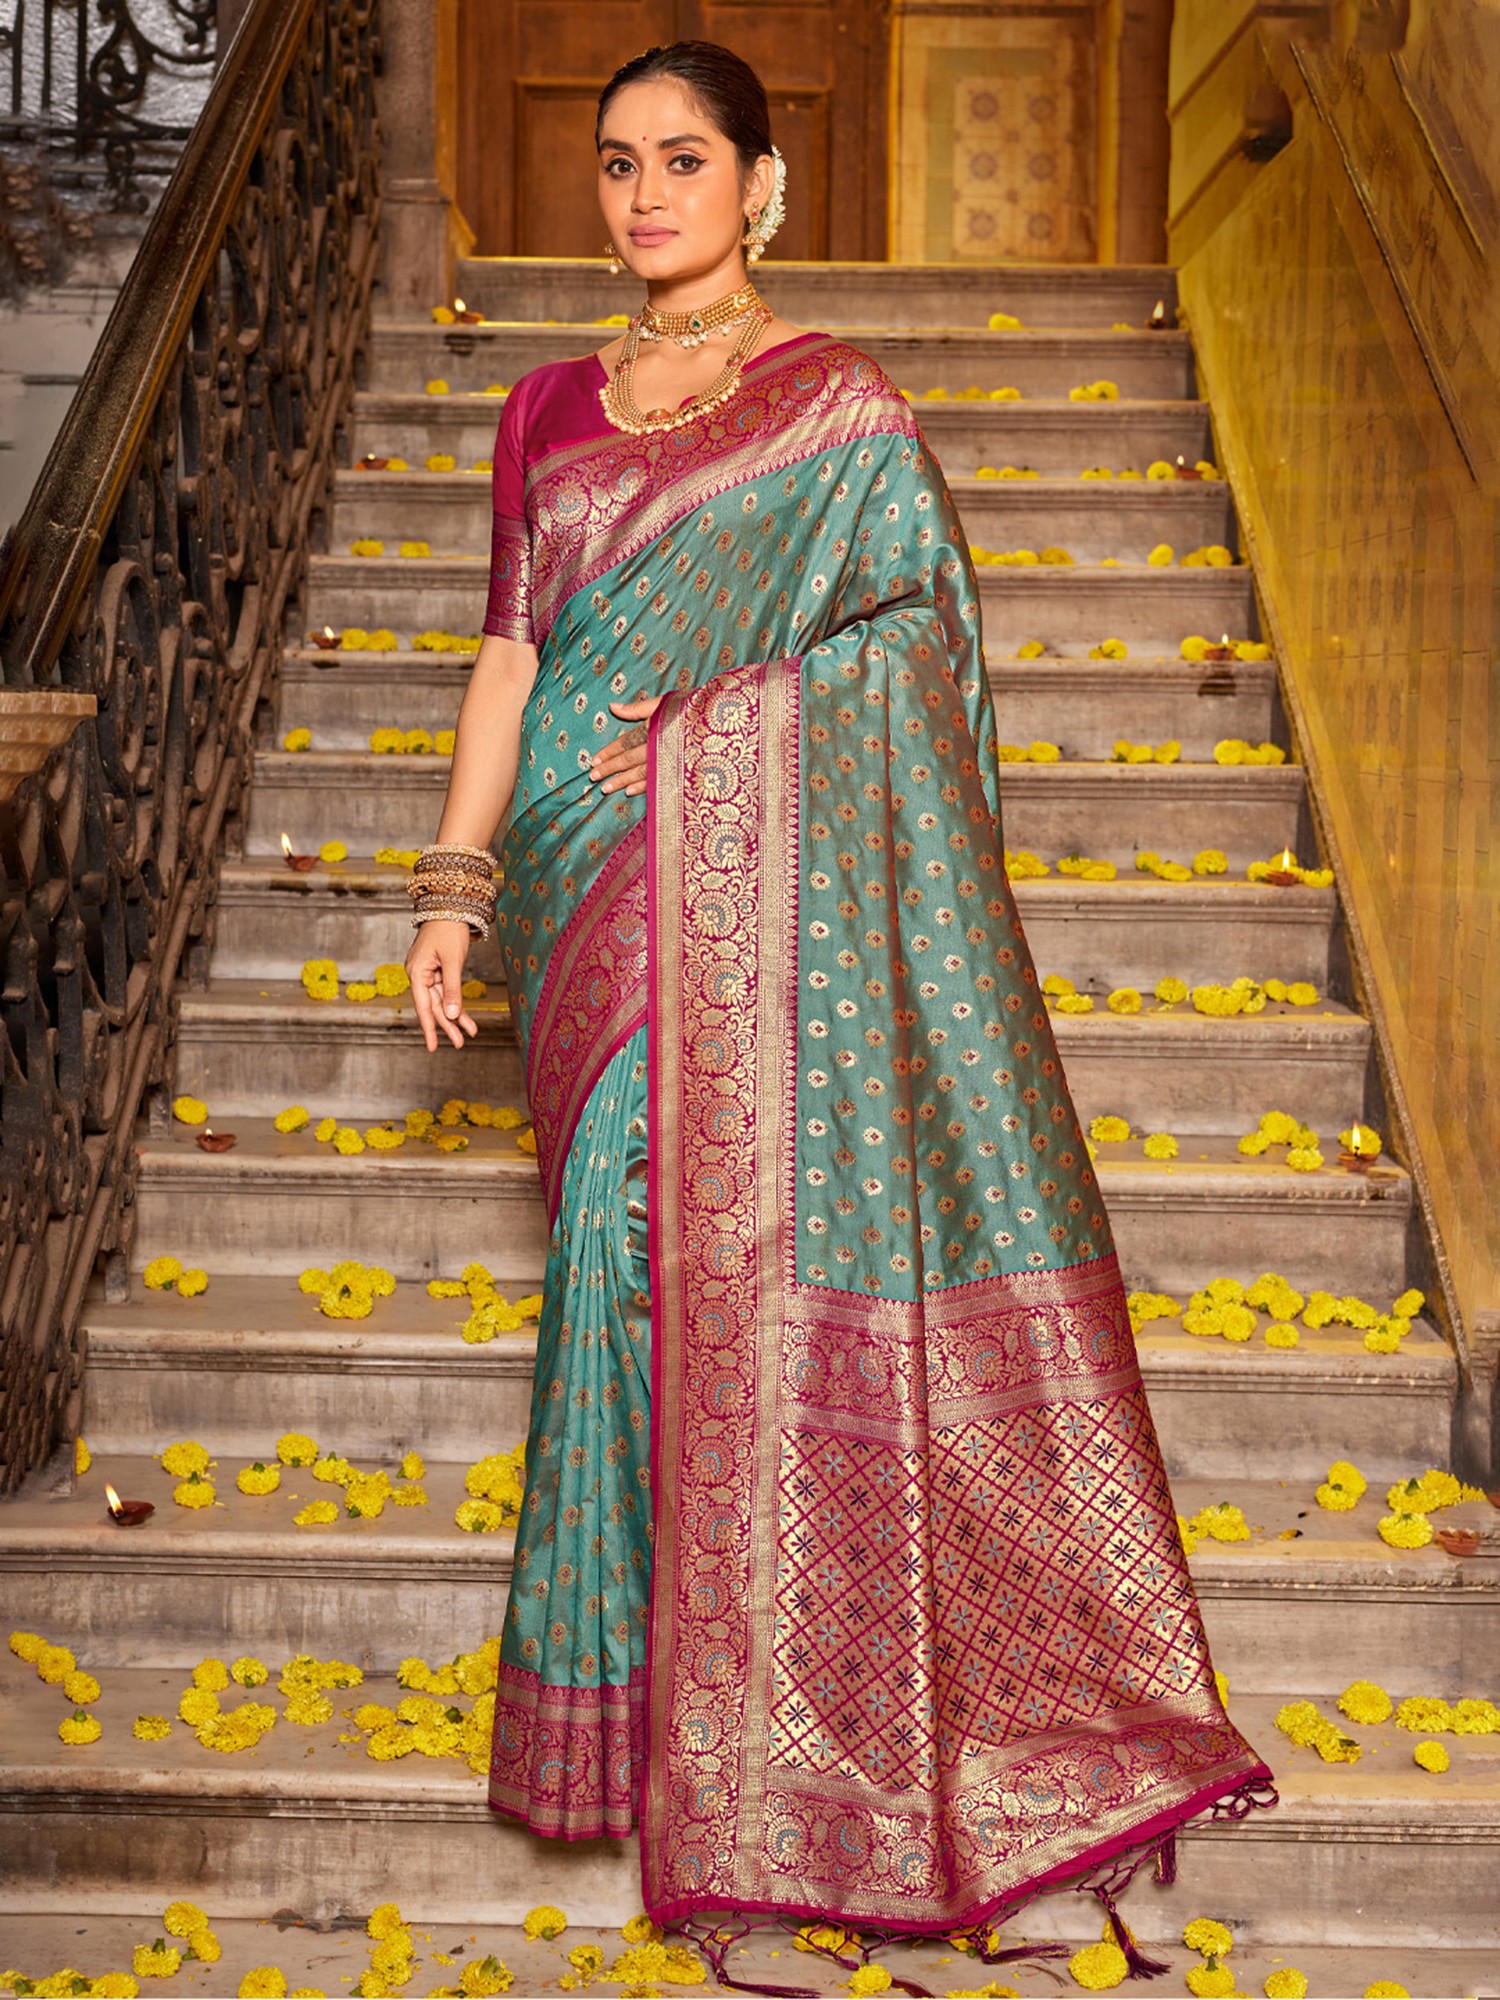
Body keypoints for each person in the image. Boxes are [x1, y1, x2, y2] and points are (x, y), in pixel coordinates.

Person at [403, 36, 1274, 1960]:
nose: (646, 195)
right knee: (620, 1254)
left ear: (761, 184)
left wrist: (726, 730)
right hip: (579, 876)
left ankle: (780, 1736)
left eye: (683, 160)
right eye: (618, 162)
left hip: (745, 873)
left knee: (701, 1254)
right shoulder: (544, 406)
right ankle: (640, 1738)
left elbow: (921, 647)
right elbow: (509, 653)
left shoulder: (841, 409)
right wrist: (457, 881)